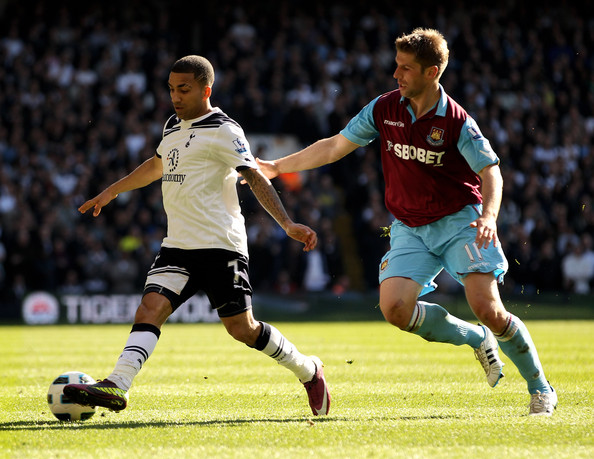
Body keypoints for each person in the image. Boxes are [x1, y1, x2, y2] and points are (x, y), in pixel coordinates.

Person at [256, 28, 556, 416]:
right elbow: (334, 146)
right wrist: (277, 167)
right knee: (395, 310)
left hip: (459, 222)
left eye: (406, 69)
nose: (396, 75)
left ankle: (540, 387)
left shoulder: (456, 121)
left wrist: (489, 217)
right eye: (396, 66)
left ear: (432, 73)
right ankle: (476, 339)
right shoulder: (385, 108)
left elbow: (491, 172)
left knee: (488, 306)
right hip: (410, 226)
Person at [64, 55, 330, 417]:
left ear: (206, 89)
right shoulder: (172, 125)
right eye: (172, 89)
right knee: (150, 308)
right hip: (178, 245)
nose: (175, 97)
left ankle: (309, 371)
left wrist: (286, 223)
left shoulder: (225, 129)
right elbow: (157, 165)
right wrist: (112, 191)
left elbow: (253, 176)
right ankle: (117, 384)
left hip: (220, 245)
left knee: (242, 329)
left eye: (184, 89)